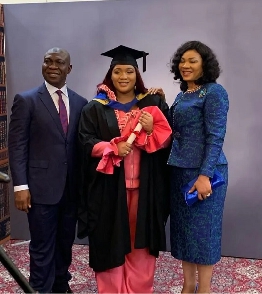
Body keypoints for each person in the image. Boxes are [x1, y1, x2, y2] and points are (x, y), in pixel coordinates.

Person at [77, 45, 172, 293]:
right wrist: (111, 148)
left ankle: (139, 288)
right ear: (110, 75)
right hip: (109, 188)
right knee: (111, 238)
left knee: (139, 240)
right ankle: (112, 289)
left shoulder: (152, 104)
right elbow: (85, 140)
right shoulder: (95, 108)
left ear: (136, 75)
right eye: (118, 71)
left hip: (145, 188)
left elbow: (169, 142)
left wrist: (152, 127)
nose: (123, 77)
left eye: (129, 71)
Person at [8, 47, 88, 293]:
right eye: (47, 61)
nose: (53, 66)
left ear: (69, 69)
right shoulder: (27, 100)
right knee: (42, 248)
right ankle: (40, 289)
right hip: (40, 190)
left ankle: (61, 287)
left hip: (70, 191)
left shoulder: (80, 102)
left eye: (59, 62)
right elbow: (17, 145)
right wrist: (21, 186)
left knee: (65, 245)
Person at [168, 41, 229, 294]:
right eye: (182, 60)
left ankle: (203, 290)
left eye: (192, 60)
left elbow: (215, 136)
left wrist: (205, 175)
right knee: (184, 234)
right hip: (179, 170)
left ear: (205, 63)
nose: (185, 65)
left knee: (203, 236)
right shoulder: (183, 94)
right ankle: (187, 286)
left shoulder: (214, 92)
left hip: (206, 173)